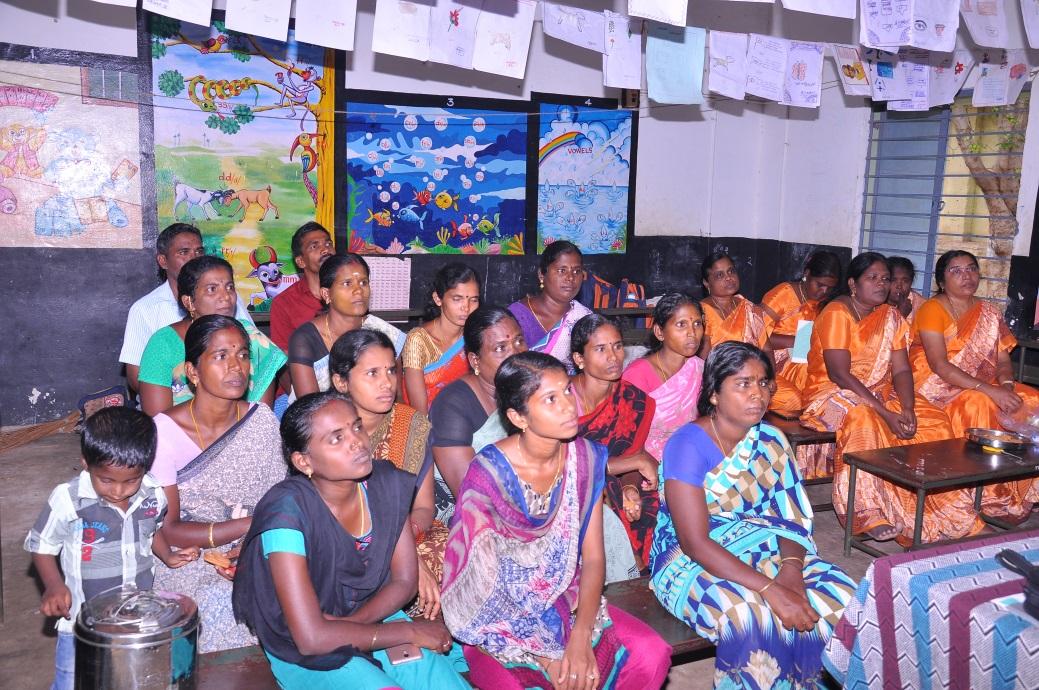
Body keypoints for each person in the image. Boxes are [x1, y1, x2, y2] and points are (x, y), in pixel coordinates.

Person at [441, 352, 672, 690]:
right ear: (519, 417)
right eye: (551, 399)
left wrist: (579, 638)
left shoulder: (585, 458)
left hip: (566, 596)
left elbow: (593, 559)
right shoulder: (488, 474)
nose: (568, 406)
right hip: (496, 618)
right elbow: (481, 580)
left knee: (650, 654)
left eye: (567, 391)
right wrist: (548, 654)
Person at [650, 342, 856, 690]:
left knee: (841, 595)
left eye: (763, 383)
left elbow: (790, 518)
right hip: (689, 560)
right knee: (750, 616)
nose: (757, 394)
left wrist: (791, 574)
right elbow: (694, 542)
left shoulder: (771, 441)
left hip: (767, 545)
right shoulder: (686, 444)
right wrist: (771, 588)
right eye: (743, 384)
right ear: (714, 394)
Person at [232, 392, 470, 690]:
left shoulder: (385, 483)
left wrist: (355, 625)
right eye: (336, 438)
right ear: (304, 461)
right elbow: (311, 638)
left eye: (357, 427)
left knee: (440, 682)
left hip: (372, 614)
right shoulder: (287, 513)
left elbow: (405, 581)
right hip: (302, 644)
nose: (356, 441)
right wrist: (404, 633)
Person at [799, 252, 980, 545]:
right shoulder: (837, 312)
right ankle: (868, 512)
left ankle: (947, 509)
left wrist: (907, 408)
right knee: (863, 418)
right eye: (872, 278)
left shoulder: (891, 316)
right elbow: (839, 374)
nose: (882, 285)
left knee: (934, 421)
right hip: (831, 394)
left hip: (880, 392)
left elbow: (901, 368)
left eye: (885, 279)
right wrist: (886, 413)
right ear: (853, 284)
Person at [25, 407, 199, 690]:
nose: (118, 491)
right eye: (106, 480)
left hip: (135, 618)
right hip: (82, 621)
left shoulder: (153, 493)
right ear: (86, 463)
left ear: (146, 466)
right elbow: (42, 546)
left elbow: (151, 530)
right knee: (73, 682)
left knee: (128, 680)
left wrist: (167, 555)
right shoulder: (68, 500)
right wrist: (54, 585)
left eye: (131, 480)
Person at [151, 315, 287, 652]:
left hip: (259, 546)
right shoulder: (164, 432)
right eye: (220, 356)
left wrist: (254, 542)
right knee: (221, 607)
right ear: (193, 372)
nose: (236, 367)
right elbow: (167, 530)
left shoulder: (262, 421)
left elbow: (278, 503)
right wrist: (247, 526)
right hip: (187, 556)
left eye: (242, 355)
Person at [911, 250, 1039, 520]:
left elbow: (1003, 359)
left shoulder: (989, 312)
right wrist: (990, 390)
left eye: (971, 269)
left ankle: (1026, 487)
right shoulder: (932, 309)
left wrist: (1006, 385)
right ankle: (990, 494)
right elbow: (939, 365)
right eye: (955, 271)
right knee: (979, 402)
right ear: (942, 280)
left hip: (986, 383)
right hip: (939, 386)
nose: (966, 276)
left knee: (1032, 400)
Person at [329, 329, 445, 621]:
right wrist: (400, 556)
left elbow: (423, 506)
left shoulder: (414, 425)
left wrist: (404, 544)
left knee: (461, 557)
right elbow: (323, 513)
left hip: (409, 532)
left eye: (391, 371)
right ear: (341, 382)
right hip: (341, 539)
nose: (387, 383)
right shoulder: (322, 430)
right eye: (372, 373)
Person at [138, 255, 286, 416]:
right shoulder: (164, 344)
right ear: (189, 302)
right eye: (212, 289)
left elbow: (260, 418)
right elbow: (159, 421)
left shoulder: (252, 338)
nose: (226, 297)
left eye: (230, 287)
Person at [571, 314, 659, 571]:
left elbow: (632, 455)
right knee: (601, 492)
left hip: (615, 481)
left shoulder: (633, 399)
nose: (613, 356)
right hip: (571, 491)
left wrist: (630, 488)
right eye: (600, 349)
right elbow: (564, 465)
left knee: (656, 496)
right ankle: (632, 569)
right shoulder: (561, 399)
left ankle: (655, 571)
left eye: (618, 346)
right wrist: (633, 462)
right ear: (579, 359)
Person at [120, 223, 252, 393]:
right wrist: (184, 398)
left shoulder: (227, 299)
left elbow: (254, 351)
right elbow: (135, 377)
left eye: (199, 251)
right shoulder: (145, 309)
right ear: (163, 261)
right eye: (184, 252)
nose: (194, 258)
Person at [429, 306, 527, 523]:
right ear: (475, 361)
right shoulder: (452, 405)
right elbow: (471, 495)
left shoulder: (532, 390)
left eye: (519, 341)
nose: (516, 354)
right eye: (501, 348)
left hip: (526, 498)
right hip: (467, 513)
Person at [287, 253, 406, 400]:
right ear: (326, 294)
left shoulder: (387, 334)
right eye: (347, 283)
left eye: (363, 282)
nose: (358, 290)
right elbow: (310, 408)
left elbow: (397, 398)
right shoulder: (305, 339)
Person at [622, 294, 706, 461]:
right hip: (647, 463)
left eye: (697, 324)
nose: (692, 333)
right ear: (660, 332)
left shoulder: (699, 369)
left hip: (692, 456)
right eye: (681, 324)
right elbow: (625, 437)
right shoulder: (638, 375)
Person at [761, 250, 842, 415]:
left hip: (805, 363)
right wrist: (801, 341)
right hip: (772, 364)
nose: (823, 292)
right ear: (807, 273)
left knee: (830, 395)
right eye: (819, 284)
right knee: (795, 400)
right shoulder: (783, 294)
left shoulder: (825, 303)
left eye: (830, 288)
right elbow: (756, 334)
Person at [403, 263, 481, 411]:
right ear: (438, 299)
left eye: (473, 299)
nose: (466, 307)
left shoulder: (475, 335)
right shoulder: (418, 340)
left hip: (466, 417)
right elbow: (420, 412)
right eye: (457, 299)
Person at [508, 240, 591, 373]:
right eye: (562, 270)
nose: (570, 277)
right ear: (542, 275)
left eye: (576, 271)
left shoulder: (584, 317)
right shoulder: (516, 317)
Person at [269, 222, 335, 353]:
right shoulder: (283, 303)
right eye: (314, 246)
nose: (326, 250)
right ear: (301, 261)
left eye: (328, 244)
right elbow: (284, 359)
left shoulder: (349, 291)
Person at [698, 251, 772, 361]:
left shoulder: (748, 307)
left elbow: (767, 350)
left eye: (731, 271)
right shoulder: (701, 312)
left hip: (760, 370)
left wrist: (769, 377)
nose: (729, 278)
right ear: (706, 283)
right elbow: (705, 361)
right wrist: (800, 341)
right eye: (720, 275)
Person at [887, 256, 926, 327]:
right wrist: (901, 314)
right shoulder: (874, 302)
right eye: (893, 280)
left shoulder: (922, 307)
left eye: (905, 281)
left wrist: (900, 315)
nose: (899, 286)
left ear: (911, 283)